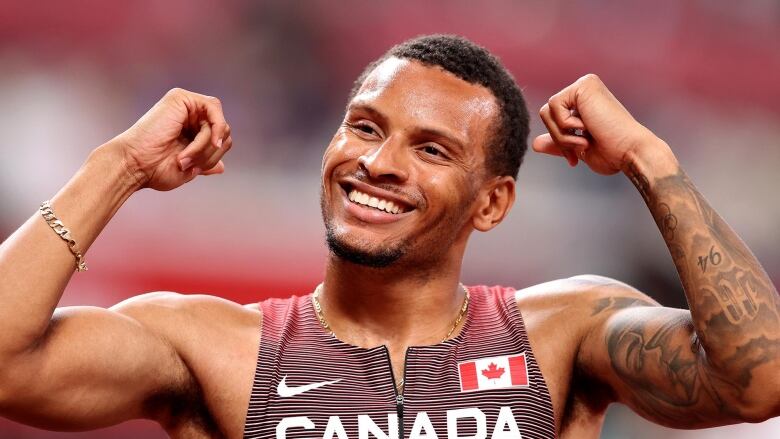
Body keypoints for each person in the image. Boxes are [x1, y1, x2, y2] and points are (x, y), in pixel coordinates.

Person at [0, 35, 777, 439]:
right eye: (364, 127)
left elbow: (757, 379)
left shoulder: (564, 334)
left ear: (493, 203)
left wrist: (650, 160)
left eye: (431, 149)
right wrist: (118, 164)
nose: (378, 163)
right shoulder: (214, 346)